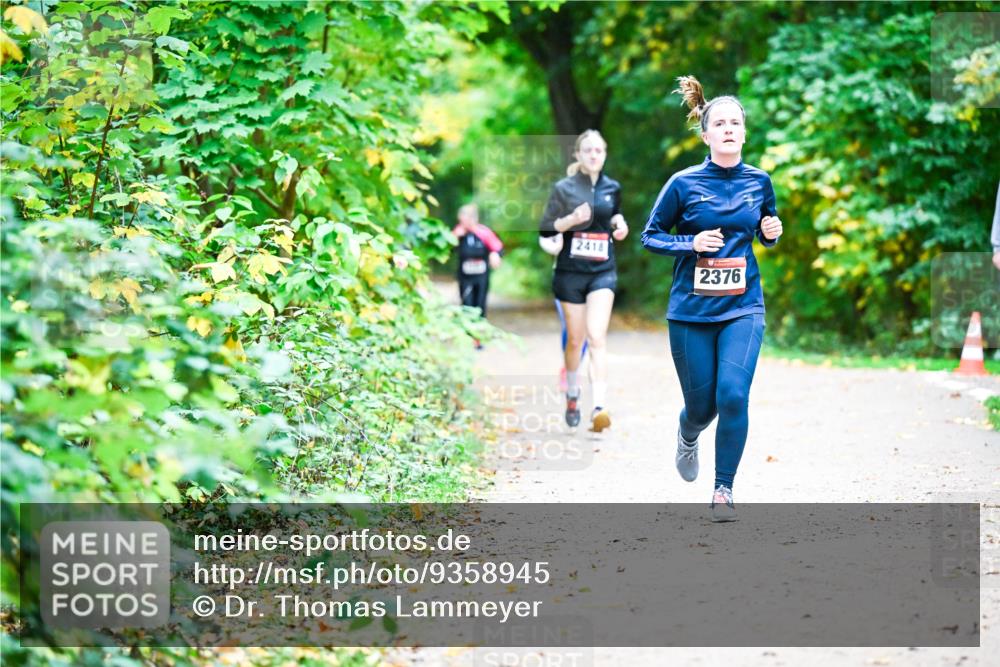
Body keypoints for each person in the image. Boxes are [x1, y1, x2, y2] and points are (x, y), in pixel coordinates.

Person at [641, 76, 783, 522]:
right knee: (702, 407)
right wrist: (690, 243)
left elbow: (765, 226)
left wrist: (770, 233)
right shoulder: (683, 183)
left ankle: (723, 489)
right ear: (705, 134)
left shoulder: (760, 181)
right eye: (718, 123)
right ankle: (688, 433)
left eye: (734, 123)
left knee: (733, 395)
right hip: (691, 310)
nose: (727, 128)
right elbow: (650, 236)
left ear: (744, 132)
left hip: (744, 305)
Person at [539, 130, 629, 432]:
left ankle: (599, 406)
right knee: (575, 340)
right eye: (588, 150)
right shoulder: (563, 189)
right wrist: (570, 221)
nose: (594, 155)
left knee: (597, 337)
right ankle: (573, 393)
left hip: (603, 271)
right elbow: (546, 230)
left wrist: (620, 225)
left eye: (599, 151)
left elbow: (615, 214)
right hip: (570, 274)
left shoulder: (612, 187)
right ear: (578, 155)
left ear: (604, 155)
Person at [453, 204, 502, 336]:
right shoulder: (458, 233)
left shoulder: (484, 232)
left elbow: (497, 247)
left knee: (480, 304)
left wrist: (494, 254)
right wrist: (456, 237)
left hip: (481, 275)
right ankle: (469, 335)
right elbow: (446, 249)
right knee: (467, 305)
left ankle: (479, 336)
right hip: (465, 276)